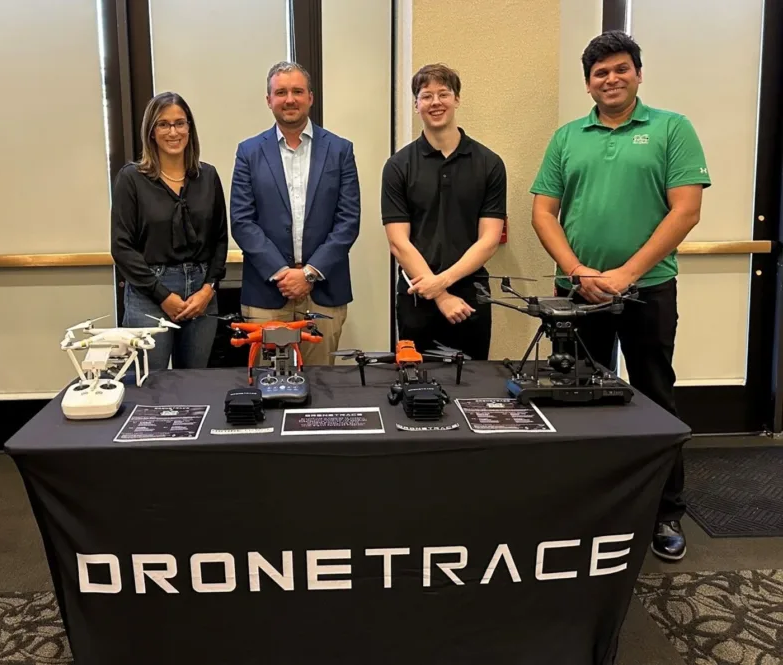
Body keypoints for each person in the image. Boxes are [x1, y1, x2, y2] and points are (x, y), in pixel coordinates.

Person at [530, 31, 711, 561]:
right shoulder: (567, 137)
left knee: (655, 396)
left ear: (637, 73)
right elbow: (543, 212)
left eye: (619, 69)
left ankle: (664, 513)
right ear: (588, 84)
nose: (610, 79)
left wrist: (626, 274)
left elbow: (686, 210)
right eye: (599, 73)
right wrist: (577, 270)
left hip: (647, 292)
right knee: (574, 400)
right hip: (578, 292)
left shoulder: (671, 129)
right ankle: (586, 512)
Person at [230, 61, 360, 366]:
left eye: (297, 91)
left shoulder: (340, 150)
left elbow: (348, 220)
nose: (290, 99)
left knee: (320, 388)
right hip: (266, 294)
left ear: (310, 97)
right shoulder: (249, 152)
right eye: (281, 92)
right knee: (267, 384)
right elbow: (242, 220)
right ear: (269, 100)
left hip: (324, 291)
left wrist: (309, 274)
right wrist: (283, 273)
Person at [381, 63, 506, 360]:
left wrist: (443, 282)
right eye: (426, 96)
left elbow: (489, 240)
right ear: (416, 105)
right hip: (416, 294)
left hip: (470, 295)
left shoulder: (489, 163)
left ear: (457, 100)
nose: (435, 103)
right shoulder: (398, 166)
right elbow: (399, 242)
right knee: (416, 387)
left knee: (472, 386)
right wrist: (439, 294)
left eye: (443, 94)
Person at [111, 91, 228, 370]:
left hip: (201, 294)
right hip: (149, 294)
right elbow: (122, 248)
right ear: (151, 132)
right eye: (163, 124)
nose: (173, 131)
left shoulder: (208, 176)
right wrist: (163, 296)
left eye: (180, 123)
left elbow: (220, 239)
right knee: (150, 387)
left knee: (195, 384)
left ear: (190, 128)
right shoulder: (132, 179)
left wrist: (208, 289)